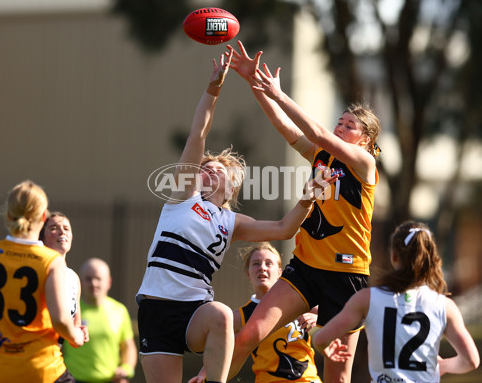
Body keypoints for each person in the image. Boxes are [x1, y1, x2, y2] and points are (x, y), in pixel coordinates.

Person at [137, 53, 337, 383]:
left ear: (231, 185)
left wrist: (307, 198)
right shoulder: (182, 197)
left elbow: (285, 229)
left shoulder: (231, 222)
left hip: (193, 310)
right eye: (203, 168)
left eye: (215, 169)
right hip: (155, 308)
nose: (206, 170)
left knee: (221, 315)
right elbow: (197, 135)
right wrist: (213, 88)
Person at [223, 40, 382, 383]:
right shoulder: (322, 157)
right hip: (306, 268)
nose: (341, 127)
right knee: (249, 335)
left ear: (366, 140)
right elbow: (287, 128)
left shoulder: (365, 164)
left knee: (338, 376)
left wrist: (281, 94)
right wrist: (256, 84)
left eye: (350, 126)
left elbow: (318, 133)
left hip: (347, 276)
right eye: (340, 121)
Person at [0, 180, 87, 383]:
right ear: (43, 217)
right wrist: (75, 337)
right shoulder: (51, 262)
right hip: (40, 370)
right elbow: (60, 321)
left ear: (8, 215)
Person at [312, 221, 480, 382]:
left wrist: (325, 347)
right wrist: (444, 365)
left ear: (394, 256)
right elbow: (471, 360)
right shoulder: (445, 306)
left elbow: (320, 339)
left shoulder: (367, 298)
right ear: (432, 258)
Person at [236, 242, 322, 383]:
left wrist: (318, 317)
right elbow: (220, 347)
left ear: (280, 273)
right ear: (248, 273)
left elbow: (345, 315)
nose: (262, 268)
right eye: (256, 264)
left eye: (269, 263)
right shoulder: (240, 316)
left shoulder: (298, 302)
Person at [62, 258, 137, 383]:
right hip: (73, 379)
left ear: (109, 282)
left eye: (98, 278)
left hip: (110, 380)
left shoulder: (119, 310)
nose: (93, 283)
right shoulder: (70, 310)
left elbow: (128, 347)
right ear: (80, 282)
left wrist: (125, 370)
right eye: (88, 279)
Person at [40, 212, 84, 335]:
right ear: (42, 236)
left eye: (66, 228)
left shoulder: (73, 277)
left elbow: (76, 323)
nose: (62, 232)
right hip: (34, 348)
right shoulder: (39, 269)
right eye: (54, 228)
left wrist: (80, 331)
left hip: (55, 351)